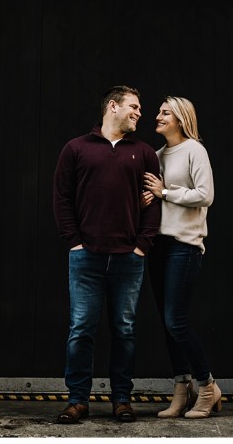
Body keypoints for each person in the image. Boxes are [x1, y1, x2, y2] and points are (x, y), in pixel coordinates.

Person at [52, 85, 163, 424]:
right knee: (81, 328)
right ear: (112, 107)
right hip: (86, 257)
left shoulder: (143, 152)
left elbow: (153, 203)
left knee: (125, 329)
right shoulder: (76, 148)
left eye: (140, 108)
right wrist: (74, 241)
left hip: (129, 258)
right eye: (134, 106)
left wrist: (143, 245)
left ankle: (121, 399)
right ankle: (77, 400)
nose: (139, 112)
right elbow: (61, 198)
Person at [141, 95, 221, 419]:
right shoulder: (156, 155)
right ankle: (181, 389)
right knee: (166, 322)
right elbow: (156, 199)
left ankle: (207, 387)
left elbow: (206, 195)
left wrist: (164, 192)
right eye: (158, 111)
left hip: (184, 245)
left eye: (165, 112)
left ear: (181, 118)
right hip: (157, 246)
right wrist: (149, 198)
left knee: (177, 320)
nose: (157, 116)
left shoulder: (194, 150)